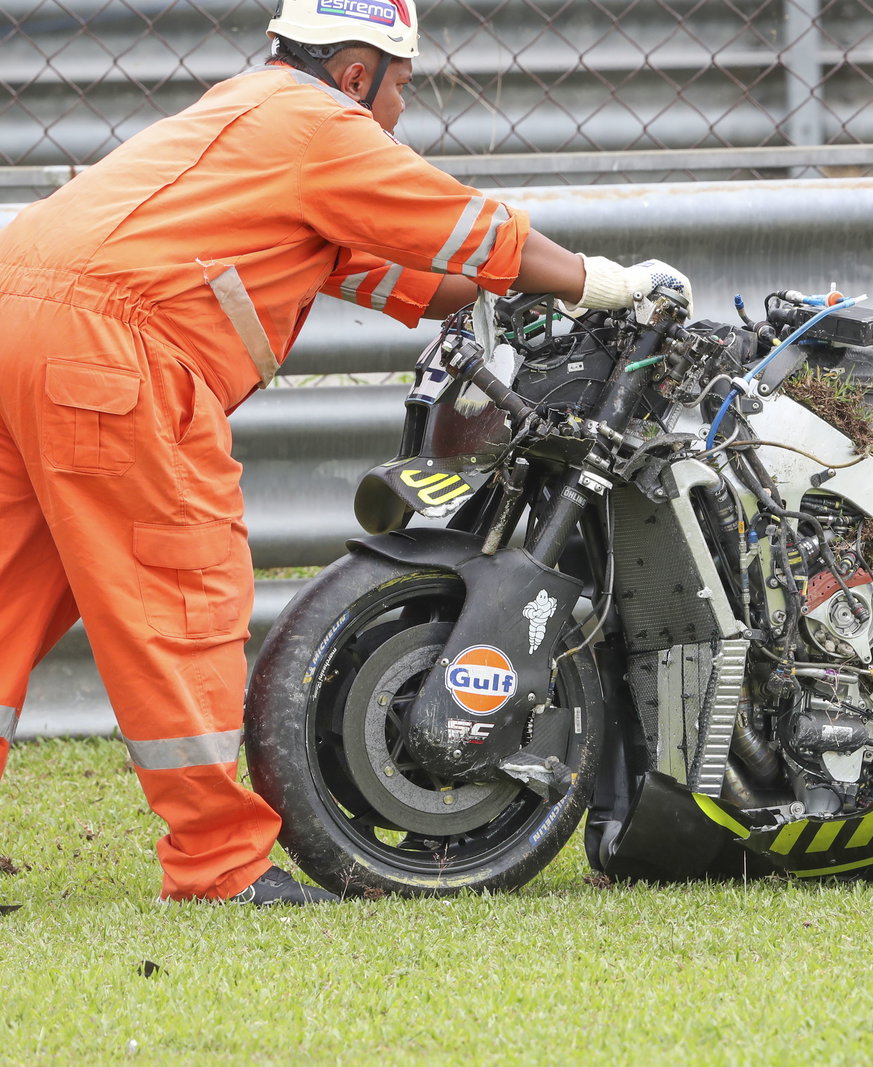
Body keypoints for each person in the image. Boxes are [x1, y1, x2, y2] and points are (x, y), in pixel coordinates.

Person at [0, 0, 689, 906]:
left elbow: (404, 267)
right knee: (182, 593)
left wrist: (505, 300)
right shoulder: (321, 124)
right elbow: (469, 229)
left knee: (9, 592)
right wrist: (603, 282)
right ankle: (218, 866)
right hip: (114, 356)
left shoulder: (243, 114)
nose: (401, 113)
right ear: (357, 72)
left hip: (21, 319)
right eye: (401, 88)